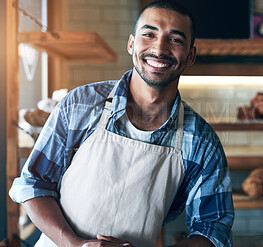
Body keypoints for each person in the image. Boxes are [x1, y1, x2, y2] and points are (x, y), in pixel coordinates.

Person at [9, 1, 234, 246]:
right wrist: (74, 244)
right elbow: (34, 184)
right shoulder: (81, 105)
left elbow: (213, 228)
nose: (159, 49)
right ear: (131, 44)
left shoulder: (202, 141)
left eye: (176, 40)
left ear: (190, 55)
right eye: (148, 34)